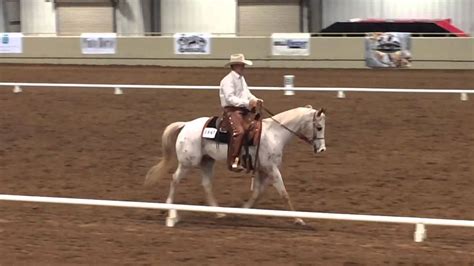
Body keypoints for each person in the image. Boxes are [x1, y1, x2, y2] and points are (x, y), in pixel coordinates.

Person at [219, 53, 264, 172]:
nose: (244, 67)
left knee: (256, 127)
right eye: (242, 65)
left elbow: (247, 93)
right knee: (239, 132)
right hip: (232, 111)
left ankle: (248, 158)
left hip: (242, 110)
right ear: (236, 66)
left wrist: (255, 99)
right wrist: (247, 103)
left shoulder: (241, 79)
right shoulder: (227, 81)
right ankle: (234, 160)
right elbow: (230, 99)